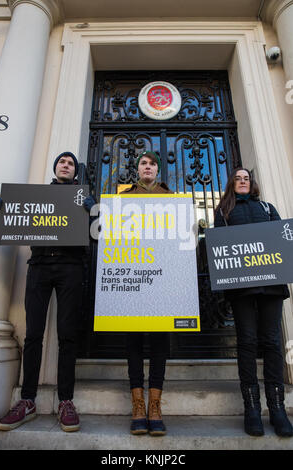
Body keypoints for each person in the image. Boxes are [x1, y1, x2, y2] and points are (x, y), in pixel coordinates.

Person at [0, 152, 95, 433]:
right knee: (33, 335)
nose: (66, 165)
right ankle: (27, 400)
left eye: (71, 163)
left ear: (76, 172)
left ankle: (66, 401)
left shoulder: (82, 200)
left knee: (67, 335)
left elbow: (97, 233)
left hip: (71, 268)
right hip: (39, 266)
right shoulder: (36, 196)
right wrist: (4, 209)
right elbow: (18, 219)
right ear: (55, 168)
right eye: (62, 162)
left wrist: (93, 211)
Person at [214, 167, 293, 438]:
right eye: (238, 178)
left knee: (271, 341)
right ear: (232, 184)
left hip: (271, 284)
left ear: (252, 183)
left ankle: (277, 408)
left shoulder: (268, 208)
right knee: (247, 341)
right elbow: (218, 247)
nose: (243, 180)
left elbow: (284, 240)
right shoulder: (223, 212)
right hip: (241, 288)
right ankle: (252, 408)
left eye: (246, 177)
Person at [121, 151, 173, 436]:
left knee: (159, 343)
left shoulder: (172, 198)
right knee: (133, 342)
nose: (148, 167)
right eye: (144, 163)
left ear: (157, 169)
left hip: (163, 281)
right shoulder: (124, 198)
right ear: (137, 168)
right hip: (133, 280)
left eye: (153, 163)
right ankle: (137, 404)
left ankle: (155, 405)